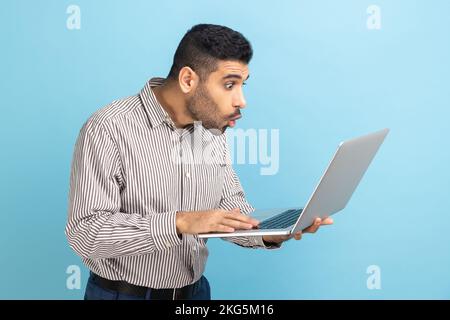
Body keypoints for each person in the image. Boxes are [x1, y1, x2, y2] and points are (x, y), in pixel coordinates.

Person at [65, 23, 333, 300]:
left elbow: (227, 208)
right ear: (188, 80)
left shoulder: (212, 129)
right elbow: (86, 233)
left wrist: (272, 232)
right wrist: (179, 223)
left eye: (243, 85)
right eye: (229, 85)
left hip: (196, 294)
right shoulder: (108, 128)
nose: (242, 100)